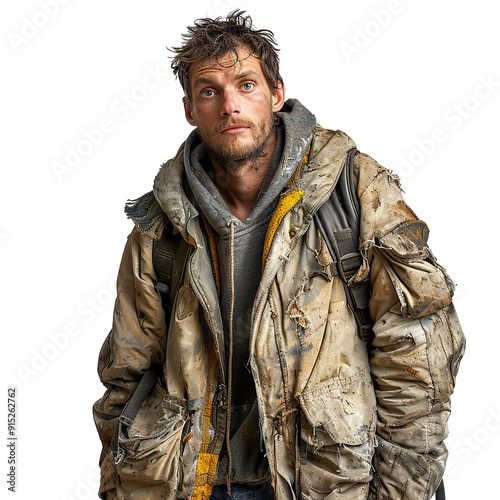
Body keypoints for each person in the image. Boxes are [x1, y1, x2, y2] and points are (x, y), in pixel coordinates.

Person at [93, 11, 465, 500]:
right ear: (189, 110)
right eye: (210, 91)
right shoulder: (162, 223)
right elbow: (126, 375)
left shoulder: (352, 193)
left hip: (324, 483)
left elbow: (418, 356)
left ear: (275, 93)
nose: (229, 105)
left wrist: (402, 491)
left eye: (245, 85)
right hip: (193, 484)